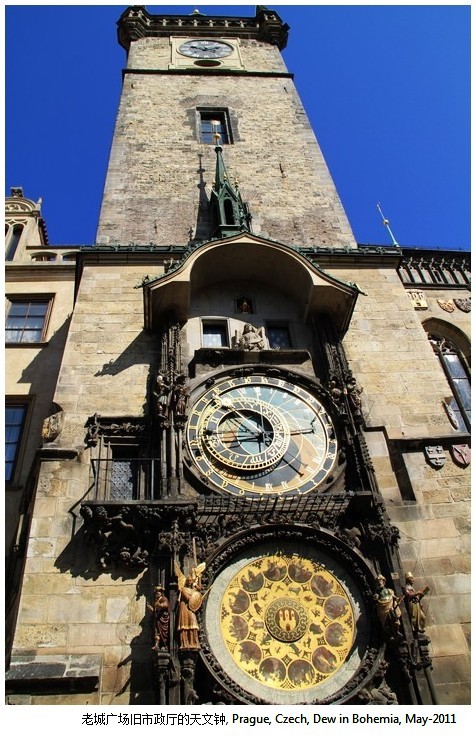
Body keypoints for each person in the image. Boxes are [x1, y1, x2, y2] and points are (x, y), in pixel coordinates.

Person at [175, 562, 205, 649]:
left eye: (191, 581)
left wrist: (199, 577)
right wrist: (196, 599)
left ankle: (194, 642)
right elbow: (189, 598)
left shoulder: (193, 590)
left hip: (191, 609)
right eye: (189, 581)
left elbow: (200, 588)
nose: (190, 582)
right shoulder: (184, 589)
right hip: (185, 608)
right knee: (185, 626)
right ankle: (185, 643)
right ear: (186, 582)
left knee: (193, 624)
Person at [374, 574, 403, 640]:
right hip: (382, 606)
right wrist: (375, 597)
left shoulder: (388, 590)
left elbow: (393, 596)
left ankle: (397, 631)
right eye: (378, 582)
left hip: (389, 604)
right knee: (386, 621)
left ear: (383, 582)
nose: (379, 583)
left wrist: (397, 598)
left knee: (394, 618)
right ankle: (390, 634)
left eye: (381, 581)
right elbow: (376, 597)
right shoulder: (377, 592)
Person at [148, 586, 170, 650]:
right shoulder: (156, 600)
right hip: (157, 618)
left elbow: (166, 605)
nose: (157, 593)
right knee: (157, 631)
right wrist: (151, 609)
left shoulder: (163, 599)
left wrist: (160, 605)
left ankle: (164, 645)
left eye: (159, 592)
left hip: (163, 618)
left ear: (161, 593)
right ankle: (157, 645)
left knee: (164, 633)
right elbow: (155, 610)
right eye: (156, 592)